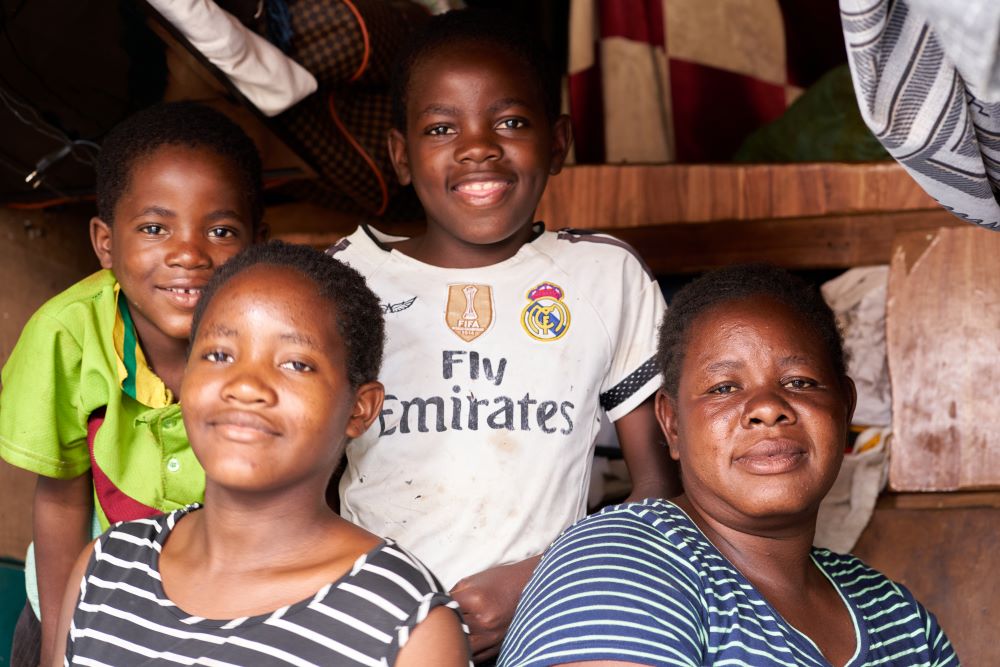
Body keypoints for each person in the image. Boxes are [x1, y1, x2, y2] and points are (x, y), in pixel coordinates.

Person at [327, 10, 679, 662]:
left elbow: (661, 483)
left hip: (551, 625)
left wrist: (544, 577)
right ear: (401, 156)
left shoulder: (604, 278)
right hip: (367, 628)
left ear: (559, 140)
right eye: (441, 128)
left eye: (511, 121)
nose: (478, 146)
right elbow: (299, 482)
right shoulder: (347, 277)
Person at [498, 264, 959, 667]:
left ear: (844, 408)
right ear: (673, 424)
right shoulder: (620, 564)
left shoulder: (900, 619)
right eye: (723, 388)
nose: (767, 408)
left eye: (799, 381)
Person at [52, 241, 471, 666]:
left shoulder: (404, 623)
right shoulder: (105, 568)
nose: (246, 385)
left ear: (360, 409)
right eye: (218, 355)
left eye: (296, 364)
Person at [0, 101, 264, 667]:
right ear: (105, 242)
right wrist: (57, 647)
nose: (189, 254)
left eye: (220, 230)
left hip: (227, 611)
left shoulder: (278, 338)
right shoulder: (67, 333)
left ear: (258, 242)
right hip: (82, 598)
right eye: (154, 228)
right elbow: (61, 497)